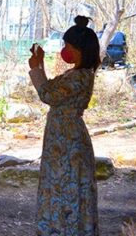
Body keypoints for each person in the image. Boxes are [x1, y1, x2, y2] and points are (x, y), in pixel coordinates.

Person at [28, 15, 100, 235]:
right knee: (58, 183)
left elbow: (48, 95)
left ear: (79, 48)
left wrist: (35, 69)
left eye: (68, 45)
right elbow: (51, 88)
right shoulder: (75, 74)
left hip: (68, 142)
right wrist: (39, 64)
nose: (65, 50)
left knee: (65, 185)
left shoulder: (81, 76)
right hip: (62, 138)